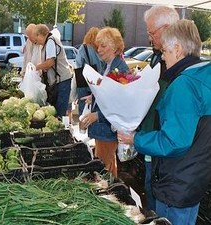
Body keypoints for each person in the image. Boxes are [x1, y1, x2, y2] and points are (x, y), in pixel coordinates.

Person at [118, 19, 211, 225]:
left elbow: (173, 142)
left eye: (165, 51)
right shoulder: (204, 75)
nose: (163, 56)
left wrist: (135, 138)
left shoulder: (184, 85)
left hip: (176, 183)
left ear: (177, 49)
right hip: (194, 178)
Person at [140, 5, 179, 212]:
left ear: (166, 28)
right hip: (152, 141)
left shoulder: (180, 69)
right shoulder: (156, 57)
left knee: (159, 201)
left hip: (164, 151)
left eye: (151, 33)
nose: (149, 38)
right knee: (150, 189)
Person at [80, 27, 129, 177]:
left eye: (103, 46)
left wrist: (97, 116)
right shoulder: (109, 66)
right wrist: (92, 97)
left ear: (114, 48)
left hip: (107, 130)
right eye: (98, 46)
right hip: (104, 130)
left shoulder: (120, 70)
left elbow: (121, 104)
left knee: (103, 167)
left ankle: (108, 193)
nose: (99, 50)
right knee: (107, 163)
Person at [34, 24, 72, 118]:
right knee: (57, 110)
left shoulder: (50, 41)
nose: (36, 41)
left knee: (60, 111)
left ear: (40, 34)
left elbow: (50, 62)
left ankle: (62, 130)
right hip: (59, 81)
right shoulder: (49, 42)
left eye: (36, 38)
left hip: (62, 81)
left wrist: (35, 67)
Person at [75, 27, 105, 116]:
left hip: (83, 81)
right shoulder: (99, 50)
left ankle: (83, 126)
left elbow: (78, 64)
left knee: (83, 108)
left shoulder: (83, 48)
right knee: (95, 107)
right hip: (97, 83)